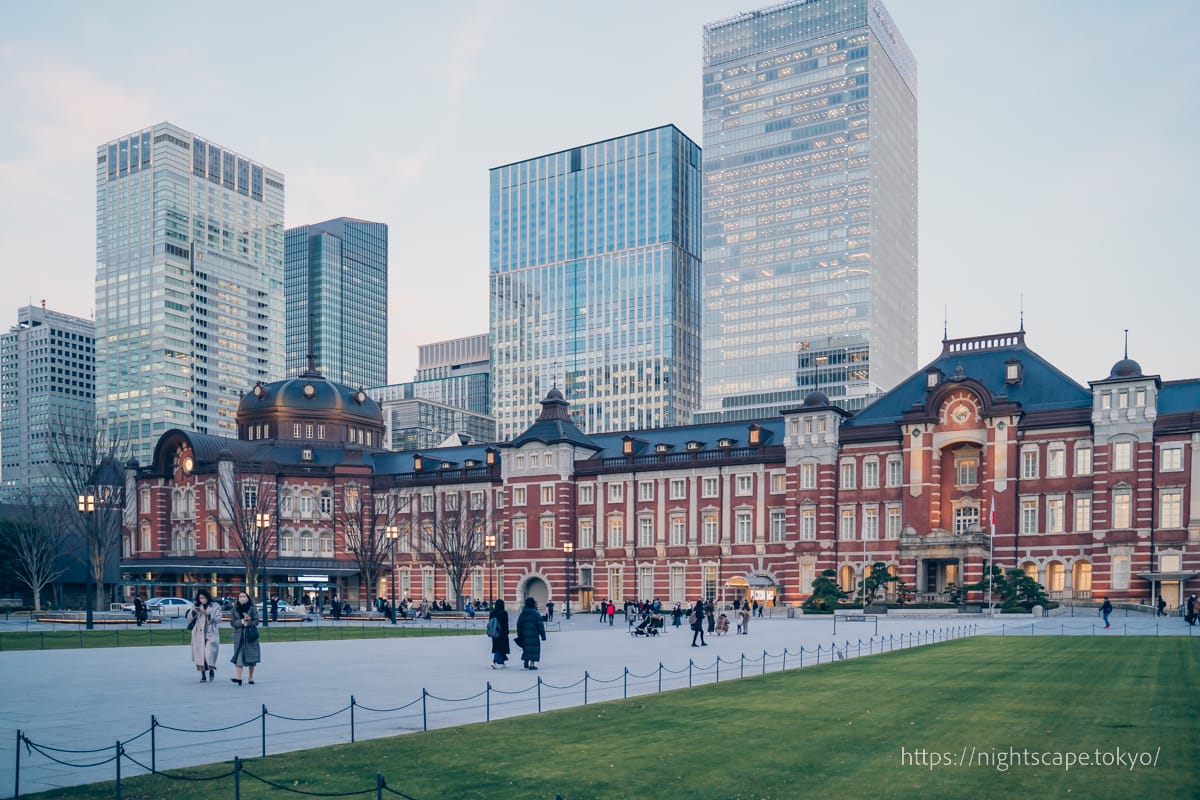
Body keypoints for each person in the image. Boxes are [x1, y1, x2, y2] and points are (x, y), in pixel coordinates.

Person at [186, 590, 222, 682]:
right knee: (200, 654)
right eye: (200, 598)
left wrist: (207, 613)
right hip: (199, 632)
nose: (202, 600)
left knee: (209, 653)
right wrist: (194, 612)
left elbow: (218, 619)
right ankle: (203, 675)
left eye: (204, 598)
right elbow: (189, 618)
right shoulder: (196, 606)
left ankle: (211, 669)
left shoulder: (215, 606)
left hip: (211, 632)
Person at [229, 591, 261, 685]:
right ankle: (238, 678)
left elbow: (257, 621)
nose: (242, 597)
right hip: (239, 636)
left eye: (244, 596)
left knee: (252, 658)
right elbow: (232, 623)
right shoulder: (235, 609)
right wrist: (242, 621)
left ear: (247, 597)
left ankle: (250, 678)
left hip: (250, 636)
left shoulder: (252, 608)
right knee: (239, 657)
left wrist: (249, 621)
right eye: (240, 596)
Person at [515, 597, 547, 669]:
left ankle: (526, 661)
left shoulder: (523, 613)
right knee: (533, 649)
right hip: (534, 635)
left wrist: (519, 634)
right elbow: (540, 626)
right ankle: (532, 665)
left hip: (524, 635)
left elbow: (519, 624)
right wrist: (543, 636)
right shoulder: (536, 613)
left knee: (526, 648)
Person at [489, 599, 510, 669]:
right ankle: (494, 661)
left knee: (498, 647)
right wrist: (507, 631)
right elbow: (505, 624)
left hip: (494, 632)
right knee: (500, 648)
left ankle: (502, 662)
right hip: (502, 633)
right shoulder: (504, 613)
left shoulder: (492, 613)